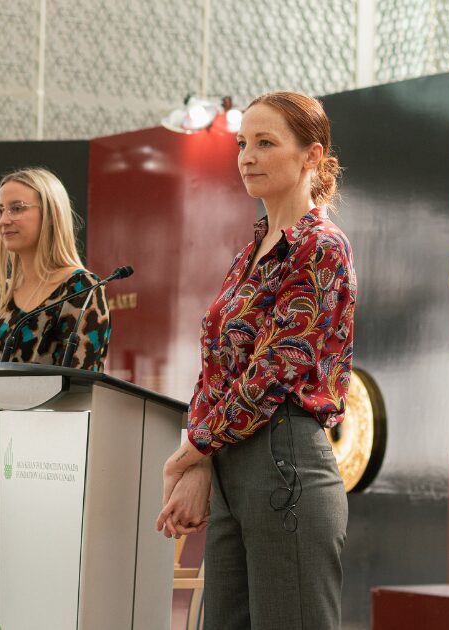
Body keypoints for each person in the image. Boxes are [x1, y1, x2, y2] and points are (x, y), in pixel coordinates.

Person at [156, 91, 357, 629]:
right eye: (243, 143)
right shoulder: (251, 253)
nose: (247, 157)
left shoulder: (321, 247)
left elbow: (272, 372)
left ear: (311, 155)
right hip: (232, 460)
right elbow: (216, 369)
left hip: (286, 459)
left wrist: (195, 448)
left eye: (265, 143)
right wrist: (201, 459)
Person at [0, 167, 111, 630]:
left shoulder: (82, 292)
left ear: (50, 213)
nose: (4, 219)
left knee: (37, 611)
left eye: (17, 208)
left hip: (44, 477)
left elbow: (73, 396)